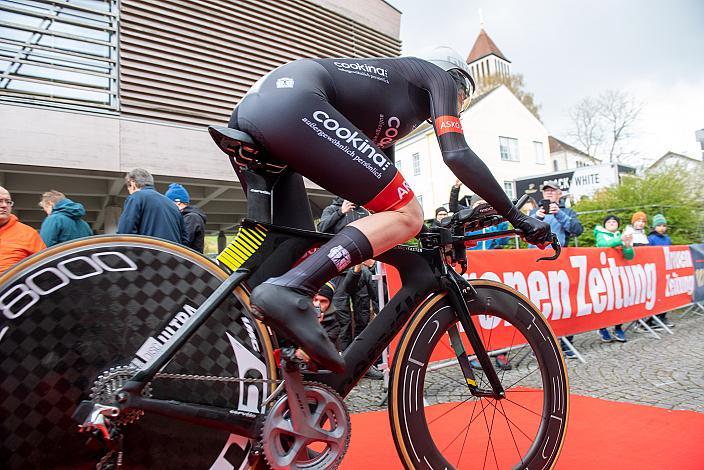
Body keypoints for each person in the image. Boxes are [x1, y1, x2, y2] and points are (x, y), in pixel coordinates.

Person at [234, 47, 551, 373]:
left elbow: (381, 195)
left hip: (257, 109)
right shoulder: (436, 77)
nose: (459, 103)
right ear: (454, 78)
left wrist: (429, 232)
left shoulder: (391, 111)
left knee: (292, 241)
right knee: (409, 213)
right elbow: (456, 154)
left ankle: (244, 331)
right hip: (292, 102)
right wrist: (517, 216)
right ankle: (292, 288)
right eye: (463, 94)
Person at [117, 169, 188, 245]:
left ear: (132, 183)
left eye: (129, 188)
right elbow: (184, 239)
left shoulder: (136, 197)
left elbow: (125, 232)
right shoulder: (173, 205)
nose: (130, 192)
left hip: (148, 254)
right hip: (173, 254)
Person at [594, 214, 634, 342]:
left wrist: (627, 246)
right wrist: (620, 240)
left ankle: (618, 327)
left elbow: (629, 256)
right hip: (604, 273)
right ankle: (602, 327)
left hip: (619, 273)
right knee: (606, 301)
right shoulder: (601, 233)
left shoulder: (620, 236)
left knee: (620, 301)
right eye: (609, 221)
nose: (612, 223)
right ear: (605, 224)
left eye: (614, 222)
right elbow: (602, 245)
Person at [0, 186, 45, 272]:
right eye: (0, 201)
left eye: (8, 202)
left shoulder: (29, 234)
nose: (4, 205)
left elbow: (44, 270)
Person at [528, 183, 583, 247]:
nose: (549, 192)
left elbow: (578, 230)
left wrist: (559, 214)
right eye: (546, 190)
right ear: (543, 194)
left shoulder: (567, 211)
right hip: (534, 253)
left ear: (560, 193)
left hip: (558, 253)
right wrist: (536, 218)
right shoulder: (534, 211)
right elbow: (525, 232)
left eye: (552, 190)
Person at [648, 214, 674, 327]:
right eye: (659, 225)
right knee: (656, 294)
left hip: (666, 270)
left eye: (664, 225)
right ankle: (652, 319)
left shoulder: (667, 238)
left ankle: (662, 317)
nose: (662, 228)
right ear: (654, 227)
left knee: (666, 294)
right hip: (655, 271)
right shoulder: (651, 238)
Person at [165, 183, 207, 253]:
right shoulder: (189, 217)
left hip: (188, 261)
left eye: (168, 203)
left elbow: (182, 243)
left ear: (177, 203)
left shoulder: (191, 218)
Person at [313, 280, 340, 350]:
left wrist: (316, 326)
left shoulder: (333, 325)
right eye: (315, 299)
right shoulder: (297, 315)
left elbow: (321, 348)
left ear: (330, 303)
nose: (317, 304)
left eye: (323, 301)